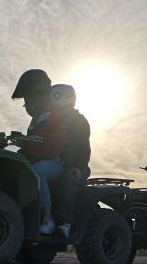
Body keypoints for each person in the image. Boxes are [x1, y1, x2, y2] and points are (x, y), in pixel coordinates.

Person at [11, 69, 68, 234]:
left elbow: (58, 142)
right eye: (25, 102)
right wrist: (22, 146)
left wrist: (30, 143)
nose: (28, 105)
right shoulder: (35, 121)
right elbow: (32, 146)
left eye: (29, 99)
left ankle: (47, 219)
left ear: (40, 94)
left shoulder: (54, 115)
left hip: (53, 162)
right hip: (38, 160)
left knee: (36, 174)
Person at [50, 84, 91, 238]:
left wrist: (78, 166)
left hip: (76, 166)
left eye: (56, 97)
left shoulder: (79, 120)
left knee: (68, 179)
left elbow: (83, 146)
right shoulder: (51, 120)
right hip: (56, 163)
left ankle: (64, 224)